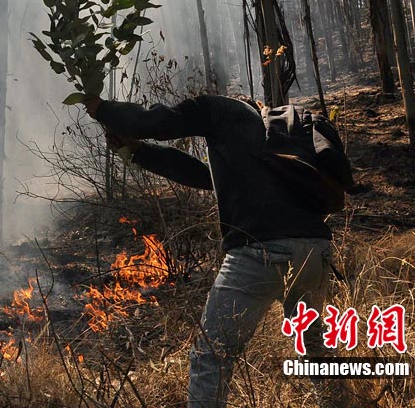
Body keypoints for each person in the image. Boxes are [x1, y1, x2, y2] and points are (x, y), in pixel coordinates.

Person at [82, 94, 340, 408]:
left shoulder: (217, 107)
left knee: (212, 355)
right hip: (315, 249)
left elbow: (154, 123)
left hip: (260, 250)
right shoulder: (268, 138)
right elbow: (203, 175)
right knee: (315, 346)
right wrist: (137, 152)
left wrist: (103, 109)